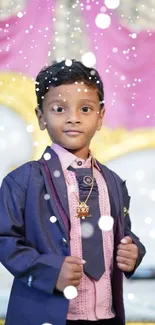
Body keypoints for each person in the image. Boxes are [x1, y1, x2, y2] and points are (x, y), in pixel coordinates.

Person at [0, 60, 146, 325]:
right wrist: (48, 271)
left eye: (86, 109)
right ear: (41, 117)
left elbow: (122, 233)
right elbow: (4, 238)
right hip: (48, 315)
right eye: (59, 109)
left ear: (100, 117)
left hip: (105, 315)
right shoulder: (22, 181)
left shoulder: (113, 182)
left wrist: (133, 251)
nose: (73, 117)